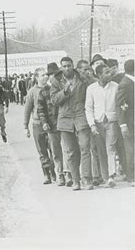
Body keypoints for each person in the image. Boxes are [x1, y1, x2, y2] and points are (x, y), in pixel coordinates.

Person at [50, 57, 92, 191]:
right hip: (65, 118)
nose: (66, 68)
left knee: (85, 147)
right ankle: (76, 180)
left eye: (69, 65)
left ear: (73, 65)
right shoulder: (56, 81)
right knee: (70, 151)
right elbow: (54, 100)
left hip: (81, 115)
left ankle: (86, 178)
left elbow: (89, 93)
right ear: (61, 67)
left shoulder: (81, 78)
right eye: (64, 66)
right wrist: (65, 91)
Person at [85, 63, 120, 187]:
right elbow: (88, 108)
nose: (109, 74)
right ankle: (105, 177)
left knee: (110, 148)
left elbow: (119, 103)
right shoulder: (91, 88)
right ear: (99, 75)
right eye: (106, 72)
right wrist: (92, 125)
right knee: (101, 151)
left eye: (109, 72)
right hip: (98, 123)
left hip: (111, 122)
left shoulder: (115, 86)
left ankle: (111, 176)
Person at [37, 62, 70, 187]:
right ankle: (60, 174)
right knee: (56, 152)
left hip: (65, 123)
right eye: (51, 75)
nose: (54, 77)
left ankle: (68, 174)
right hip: (51, 126)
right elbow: (41, 110)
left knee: (67, 150)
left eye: (56, 75)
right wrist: (44, 123)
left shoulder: (63, 87)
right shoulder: (44, 92)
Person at [24, 67, 53, 184]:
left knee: (53, 149)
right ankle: (46, 174)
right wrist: (25, 127)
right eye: (42, 75)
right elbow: (27, 109)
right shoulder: (32, 92)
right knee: (42, 151)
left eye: (46, 74)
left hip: (51, 124)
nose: (45, 77)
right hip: (37, 125)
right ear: (36, 78)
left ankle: (54, 171)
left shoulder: (52, 89)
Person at [77, 59, 103, 186]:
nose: (88, 72)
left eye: (89, 69)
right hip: (81, 118)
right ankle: (86, 176)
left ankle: (97, 175)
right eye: (85, 69)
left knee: (95, 147)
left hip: (93, 117)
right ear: (79, 70)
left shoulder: (94, 82)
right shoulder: (77, 83)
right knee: (84, 147)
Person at [116, 59, 135, 185]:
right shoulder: (125, 83)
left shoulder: (131, 81)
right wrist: (123, 124)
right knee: (130, 149)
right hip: (129, 121)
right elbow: (120, 104)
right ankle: (131, 175)